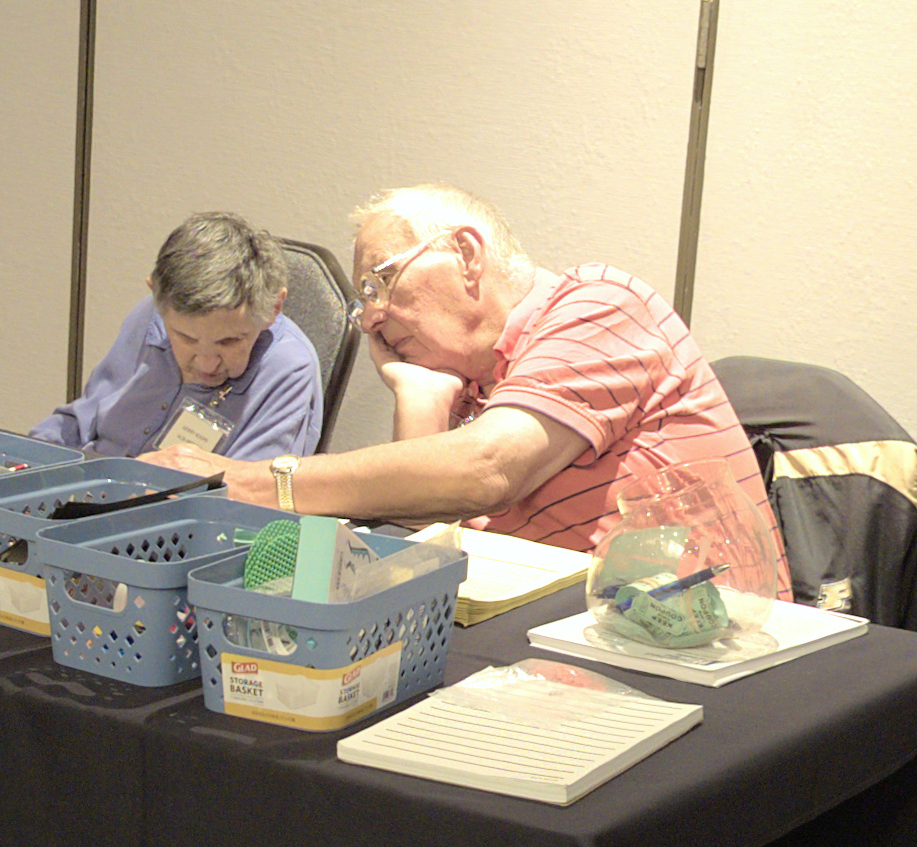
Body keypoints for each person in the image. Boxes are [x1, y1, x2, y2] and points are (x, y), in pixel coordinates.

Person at [145, 184, 788, 577]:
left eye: (380, 281)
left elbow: (488, 469)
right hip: (579, 636)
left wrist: (253, 483)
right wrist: (420, 393)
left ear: (468, 255)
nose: (368, 314)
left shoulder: (598, 304)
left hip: (691, 641)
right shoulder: (477, 386)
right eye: (361, 297)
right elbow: (434, 542)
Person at [30, 212, 324, 461]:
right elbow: (81, 422)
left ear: (273, 308)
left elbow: (247, 501)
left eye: (229, 342)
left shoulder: (287, 366)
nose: (207, 364)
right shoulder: (150, 315)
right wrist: (34, 453)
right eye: (186, 339)